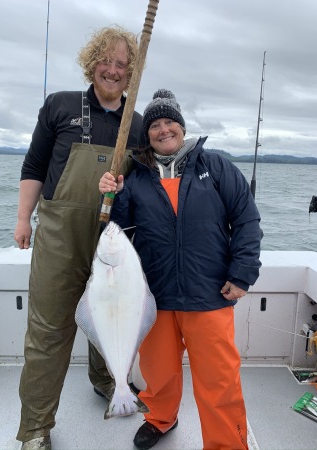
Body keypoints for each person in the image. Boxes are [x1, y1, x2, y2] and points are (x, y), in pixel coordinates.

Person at [99, 89, 262, 450]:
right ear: (148, 134)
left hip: (210, 294)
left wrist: (242, 273)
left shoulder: (217, 167)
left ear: (182, 127)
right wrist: (111, 196)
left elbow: (247, 220)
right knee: (158, 374)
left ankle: (226, 444)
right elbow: (113, 234)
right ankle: (160, 417)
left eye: (170, 121)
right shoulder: (135, 177)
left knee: (219, 380)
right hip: (155, 297)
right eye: (155, 124)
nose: (163, 129)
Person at [14, 26, 145, 450]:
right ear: (92, 63)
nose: (112, 70)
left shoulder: (137, 124)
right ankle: (35, 427)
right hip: (59, 234)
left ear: (131, 73)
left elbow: (144, 188)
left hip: (113, 236)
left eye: (122, 64)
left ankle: (107, 379)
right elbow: (34, 165)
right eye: (105, 61)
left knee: (114, 313)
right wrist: (22, 220)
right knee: (49, 328)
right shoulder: (60, 106)